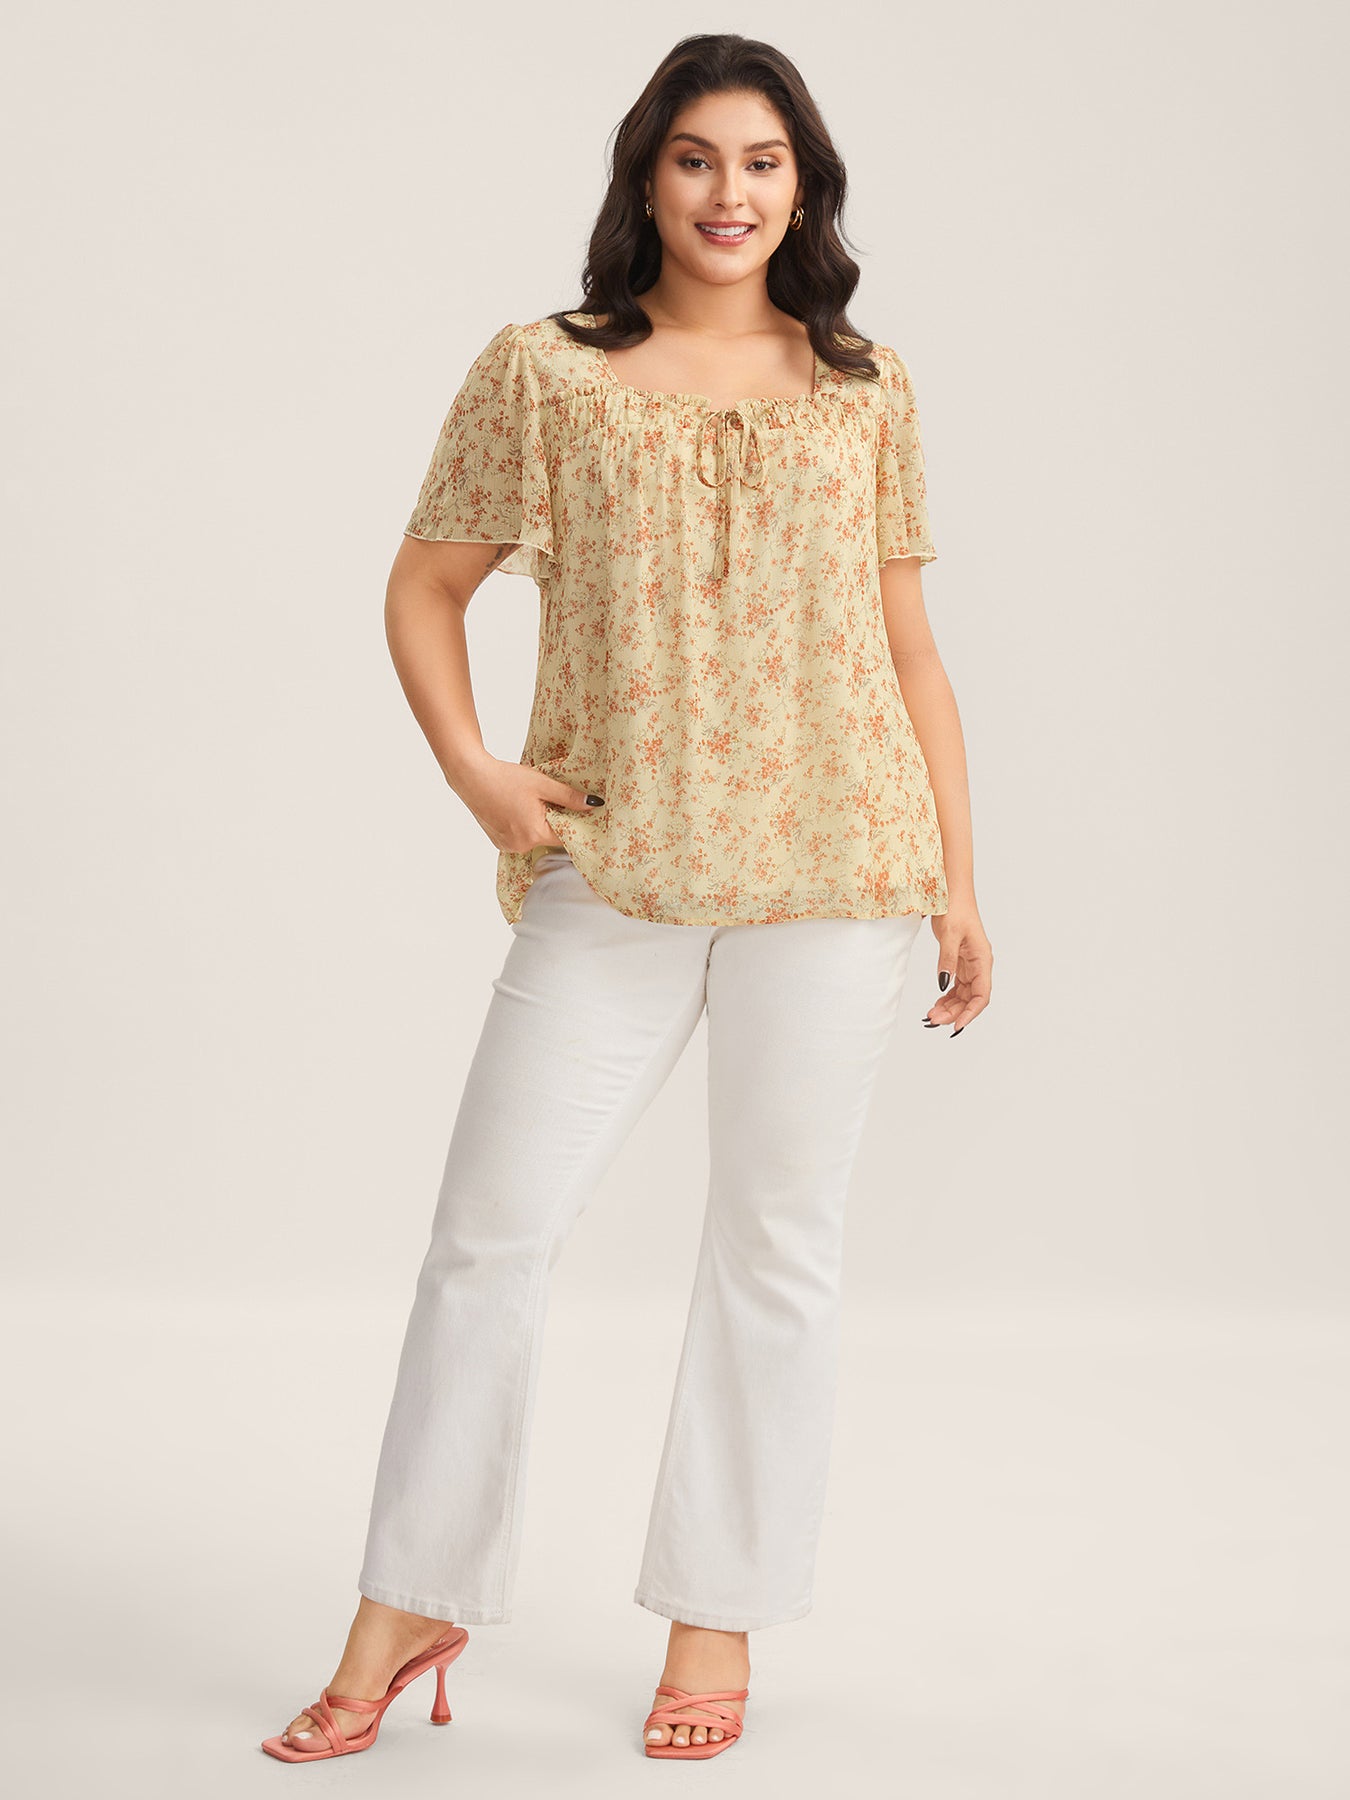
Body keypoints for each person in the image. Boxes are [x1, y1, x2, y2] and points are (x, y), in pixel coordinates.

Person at [262, 31, 992, 1767]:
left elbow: (906, 646)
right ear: (644, 176)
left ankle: (715, 1615)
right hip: (614, 868)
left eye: (761, 161)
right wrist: (475, 769)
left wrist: (960, 883)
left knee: (772, 1248)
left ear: (802, 186)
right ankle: (410, 1597)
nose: (728, 192)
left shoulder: (866, 385)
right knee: (487, 1236)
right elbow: (424, 585)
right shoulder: (546, 371)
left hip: (839, 872)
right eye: (694, 158)